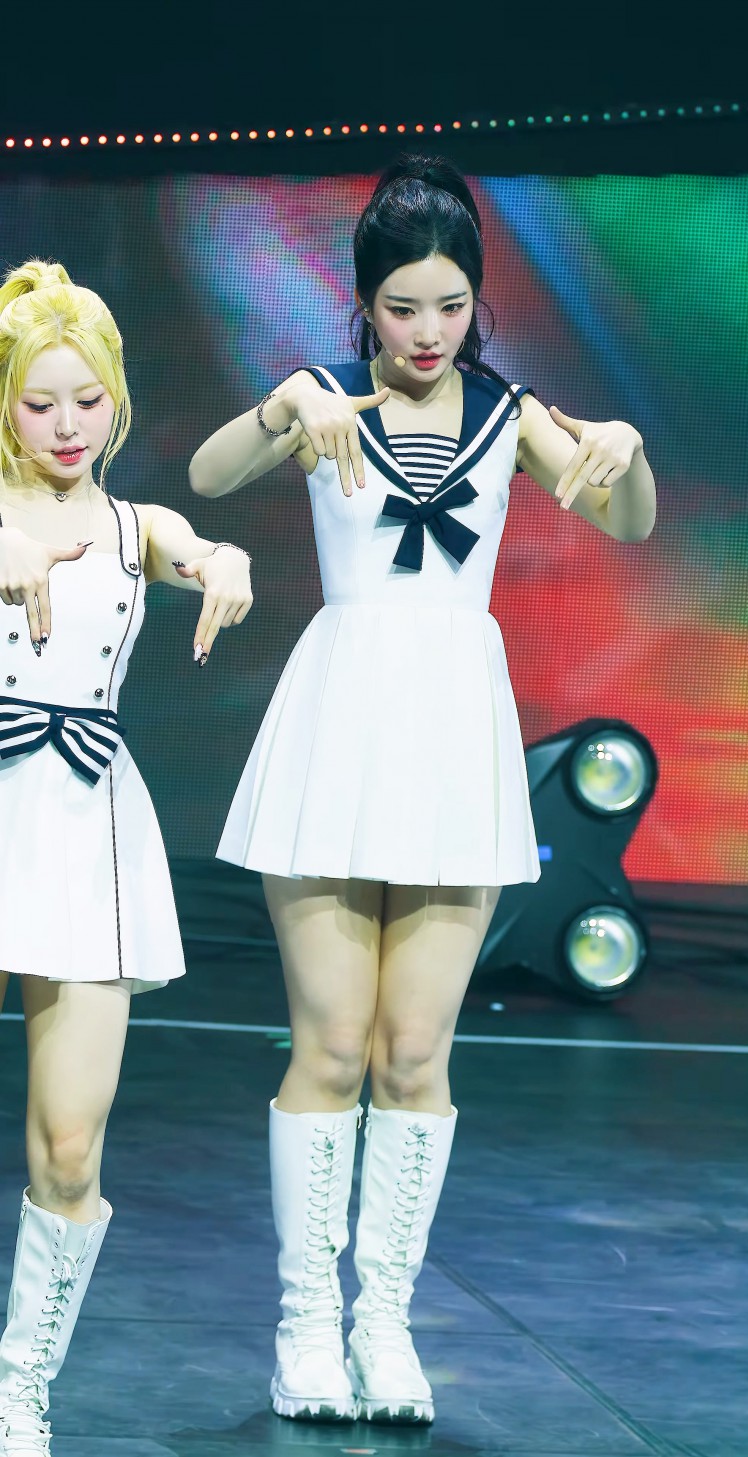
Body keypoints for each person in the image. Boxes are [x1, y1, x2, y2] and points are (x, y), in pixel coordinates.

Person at [190, 154, 656, 1426]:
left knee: (413, 1052)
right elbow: (210, 476)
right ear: (365, 302)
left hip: (453, 737)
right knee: (332, 1043)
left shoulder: (510, 414)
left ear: (475, 301)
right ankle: (305, 1325)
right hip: (341, 727)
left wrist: (624, 449)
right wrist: (286, 402)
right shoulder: (325, 397)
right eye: (402, 307)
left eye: (450, 305)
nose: (427, 330)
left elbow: (627, 519)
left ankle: (384, 1322)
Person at [0, 260, 253, 1457]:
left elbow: (196, 544)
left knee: (69, 1141)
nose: (67, 424)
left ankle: (20, 1392)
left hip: (87, 826)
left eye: (87, 400)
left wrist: (225, 562)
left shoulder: (133, 526)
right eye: (39, 400)